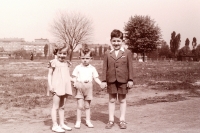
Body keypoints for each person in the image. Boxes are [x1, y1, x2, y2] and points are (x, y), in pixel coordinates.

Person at [101, 29, 134, 129]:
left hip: (123, 80)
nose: (116, 43)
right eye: (114, 41)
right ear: (111, 41)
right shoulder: (107, 53)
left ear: (122, 41)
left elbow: (130, 67)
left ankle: (122, 120)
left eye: (118, 41)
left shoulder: (127, 53)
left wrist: (130, 79)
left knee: (122, 100)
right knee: (111, 100)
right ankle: (111, 120)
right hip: (111, 80)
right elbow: (104, 68)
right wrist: (103, 80)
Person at [72, 45, 102, 129]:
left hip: (88, 87)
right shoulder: (78, 67)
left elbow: (96, 78)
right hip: (80, 87)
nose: (85, 60)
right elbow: (74, 77)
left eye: (87, 58)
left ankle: (88, 121)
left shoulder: (92, 68)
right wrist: (74, 82)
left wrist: (101, 84)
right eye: (83, 58)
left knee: (87, 106)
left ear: (91, 58)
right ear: (80, 58)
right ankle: (78, 121)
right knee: (80, 105)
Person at [47, 44, 73, 132]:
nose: (62, 55)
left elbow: (67, 75)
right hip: (56, 86)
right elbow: (49, 75)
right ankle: (55, 125)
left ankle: (62, 123)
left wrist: (74, 80)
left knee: (62, 106)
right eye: (60, 53)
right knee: (55, 106)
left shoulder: (67, 63)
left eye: (64, 53)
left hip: (65, 86)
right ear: (56, 53)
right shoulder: (53, 62)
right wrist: (50, 86)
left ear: (67, 54)